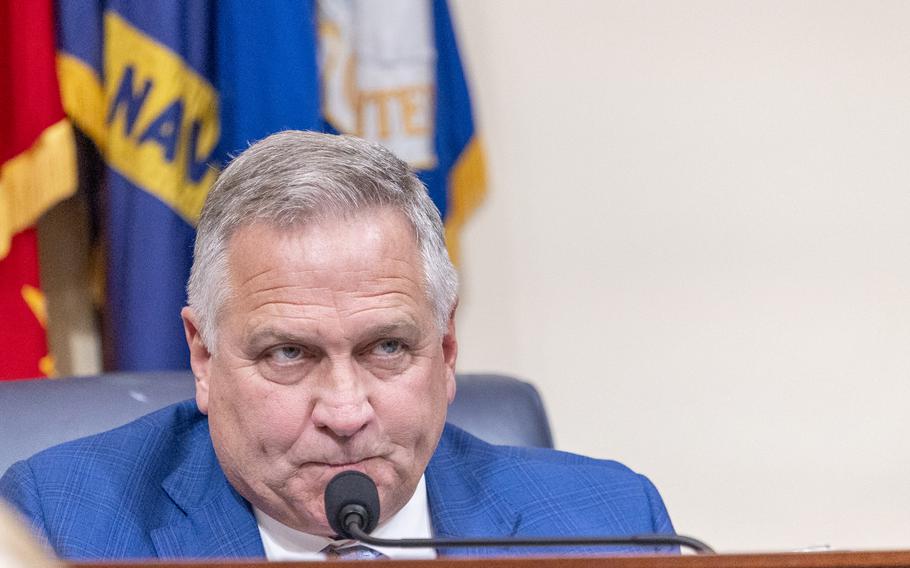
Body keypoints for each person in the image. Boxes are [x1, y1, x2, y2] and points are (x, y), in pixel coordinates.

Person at [0, 131, 675, 561]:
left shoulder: (611, 524)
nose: (346, 413)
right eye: (289, 354)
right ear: (204, 360)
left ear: (445, 351)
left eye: (387, 347)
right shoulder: (63, 525)